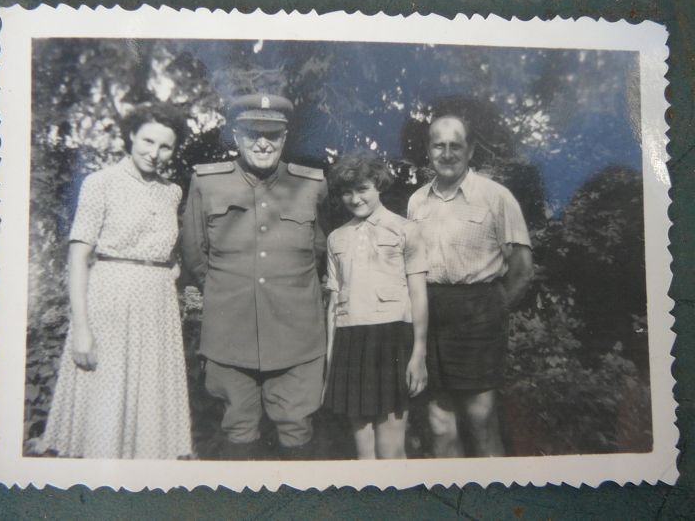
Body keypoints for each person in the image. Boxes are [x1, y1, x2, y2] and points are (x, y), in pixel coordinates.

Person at [41, 103, 193, 459]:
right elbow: (78, 259)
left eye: (165, 146)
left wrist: (169, 270)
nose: (154, 153)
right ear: (132, 135)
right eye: (148, 141)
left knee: (149, 403)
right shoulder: (101, 183)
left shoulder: (172, 192)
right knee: (105, 401)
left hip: (157, 308)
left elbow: (164, 248)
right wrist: (82, 329)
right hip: (110, 302)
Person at [181, 93, 328, 460]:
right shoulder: (206, 183)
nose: (263, 143)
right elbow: (195, 254)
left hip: (296, 334)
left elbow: (321, 251)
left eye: (273, 135)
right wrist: (230, 291)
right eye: (252, 134)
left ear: (285, 137)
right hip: (230, 332)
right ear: (236, 136)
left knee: (297, 427)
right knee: (238, 426)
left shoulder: (312, 184)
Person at [407, 111, 533, 457]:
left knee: (481, 419)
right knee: (440, 423)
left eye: (456, 146)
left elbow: (522, 269)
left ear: (471, 149)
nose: (447, 154)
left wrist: (492, 311)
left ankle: (495, 489)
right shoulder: (417, 202)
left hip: (479, 314)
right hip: (430, 316)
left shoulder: (496, 197)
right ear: (428, 150)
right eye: (439, 146)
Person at [322, 154, 429, 459]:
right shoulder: (336, 238)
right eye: (347, 192)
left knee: (390, 447)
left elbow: (419, 295)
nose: (355, 199)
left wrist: (419, 353)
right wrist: (331, 360)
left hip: (391, 339)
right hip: (350, 341)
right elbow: (334, 302)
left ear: (378, 185)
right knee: (364, 451)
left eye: (362, 189)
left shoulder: (405, 230)